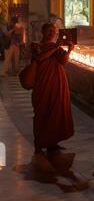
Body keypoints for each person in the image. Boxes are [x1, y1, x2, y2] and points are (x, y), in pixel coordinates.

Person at [31, 23, 74, 156]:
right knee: (42, 112)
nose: (51, 34)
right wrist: (56, 47)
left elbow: (64, 61)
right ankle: (39, 144)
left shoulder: (56, 48)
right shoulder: (36, 46)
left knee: (56, 112)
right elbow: (40, 58)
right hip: (42, 84)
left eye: (54, 32)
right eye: (49, 31)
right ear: (43, 32)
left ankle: (52, 143)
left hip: (57, 83)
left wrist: (70, 50)